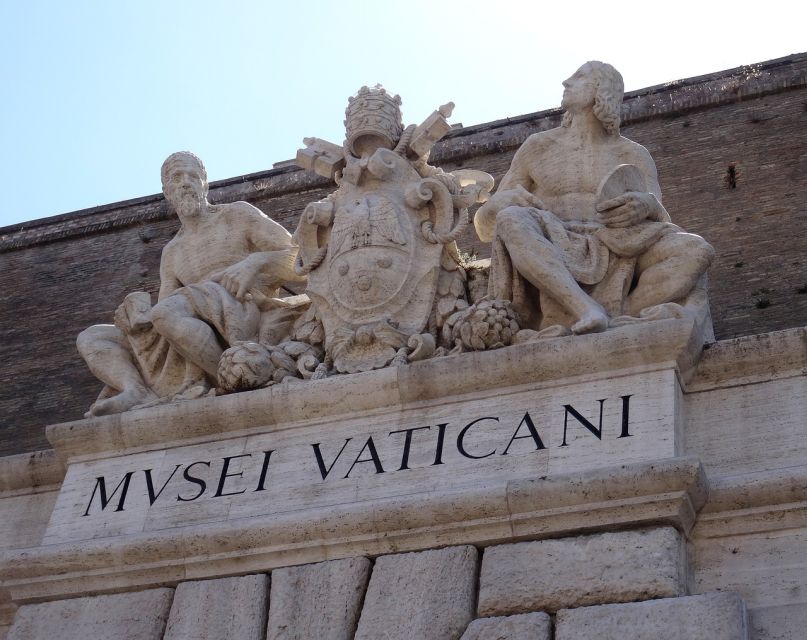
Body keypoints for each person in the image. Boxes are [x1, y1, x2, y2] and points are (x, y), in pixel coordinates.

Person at [474, 61, 714, 335]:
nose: (566, 82)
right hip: (553, 241)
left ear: (602, 90)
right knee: (511, 219)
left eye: (578, 77)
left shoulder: (632, 154)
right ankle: (584, 308)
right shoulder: (538, 147)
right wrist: (494, 205)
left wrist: (645, 204)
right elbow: (484, 228)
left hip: (617, 245)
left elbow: (660, 214)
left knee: (697, 250)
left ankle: (617, 316)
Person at [77, 151, 304, 416]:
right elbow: (164, 313)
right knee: (93, 337)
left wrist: (255, 263)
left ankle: (234, 375)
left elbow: (303, 261)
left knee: (167, 312)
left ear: (205, 183)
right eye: (176, 177)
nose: (185, 182)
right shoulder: (172, 251)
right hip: (190, 324)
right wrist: (134, 319)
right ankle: (136, 389)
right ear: (166, 191)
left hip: (241, 312)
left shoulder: (237, 215)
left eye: (193, 176)